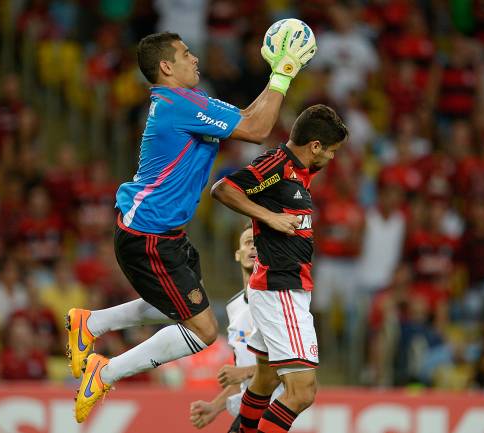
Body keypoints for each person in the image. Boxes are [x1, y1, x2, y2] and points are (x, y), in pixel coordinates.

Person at [68, 30, 317, 423]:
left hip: (163, 232)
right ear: (166, 66)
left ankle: (92, 323)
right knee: (202, 330)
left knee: (182, 305)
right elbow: (256, 131)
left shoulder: (187, 101)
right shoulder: (177, 107)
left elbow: (250, 120)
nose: (195, 58)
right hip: (148, 234)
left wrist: (278, 75)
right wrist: (282, 74)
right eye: (186, 54)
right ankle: (106, 371)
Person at [211, 104, 347, 433]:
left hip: (278, 288)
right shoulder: (278, 164)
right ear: (315, 146)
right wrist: (269, 217)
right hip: (281, 288)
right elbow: (223, 189)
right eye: (329, 150)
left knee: (267, 377)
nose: (331, 158)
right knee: (302, 393)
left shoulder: (300, 171)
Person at [189, 224, 284, 432]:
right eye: (249, 243)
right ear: (237, 254)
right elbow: (240, 375)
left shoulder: (279, 304)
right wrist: (214, 407)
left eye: (260, 244)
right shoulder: (234, 307)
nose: (254, 249)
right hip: (247, 411)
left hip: (272, 413)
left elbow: (289, 365)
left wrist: (245, 372)